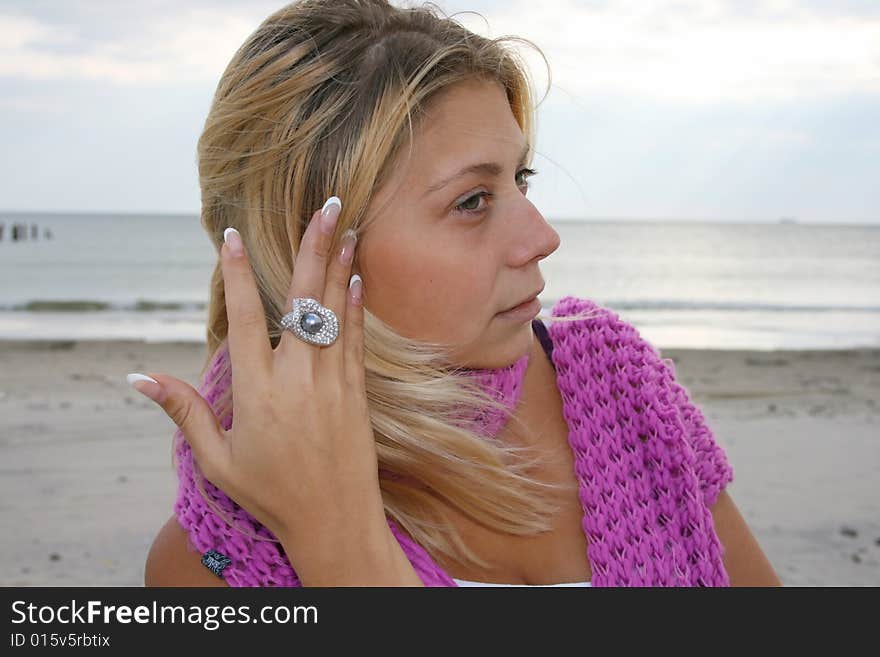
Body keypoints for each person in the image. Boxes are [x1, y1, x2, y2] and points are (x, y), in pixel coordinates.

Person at [135, 0, 781, 587]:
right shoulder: (213, 564)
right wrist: (330, 541)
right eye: (473, 200)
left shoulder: (619, 387)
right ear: (312, 247)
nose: (543, 236)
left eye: (520, 178)